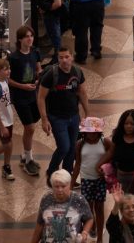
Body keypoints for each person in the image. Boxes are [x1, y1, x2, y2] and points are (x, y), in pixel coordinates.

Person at [39, 48, 91, 178]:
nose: (64, 60)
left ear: (72, 57)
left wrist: (88, 114)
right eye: (61, 57)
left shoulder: (77, 72)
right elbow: (41, 97)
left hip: (73, 116)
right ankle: (51, 171)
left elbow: (82, 93)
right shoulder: (51, 74)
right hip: (57, 118)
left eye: (67, 57)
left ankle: (67, 175)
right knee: (64, 147)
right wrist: (44, 119)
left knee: (72, 147)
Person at [5, 26, 44, 176]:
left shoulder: (35, 52)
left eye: (32, 36)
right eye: (27, 36)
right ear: (20, 39)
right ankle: (28, 159)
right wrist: (23, 86)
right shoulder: (14, 58)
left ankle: (25, 154)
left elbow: (38, 68)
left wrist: (39, 79)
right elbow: (8, 79)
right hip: (20, 97)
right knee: (30, 128)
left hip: (33, 95)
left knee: (32, 126)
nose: (30, 39)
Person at [31, 169, 95, 243]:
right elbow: (40, 223)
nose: (60, 190)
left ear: (69, 185)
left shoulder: (79, 199)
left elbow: (89, 219)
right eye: (56, 186)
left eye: (63, 186)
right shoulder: (46, 199)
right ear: (52, 186)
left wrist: (84, 233)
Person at [101, 110, 134, 194]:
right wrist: (99, 165)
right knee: (122, 202)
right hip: (121, 177)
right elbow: (110, 152)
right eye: (126, 124)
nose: (128, 126)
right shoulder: (118, 137)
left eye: (132, 124)